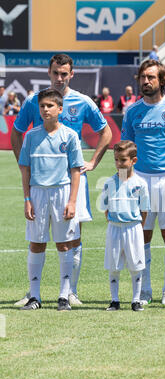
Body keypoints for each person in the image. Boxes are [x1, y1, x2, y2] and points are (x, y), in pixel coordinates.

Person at [11, 53, 112, 307]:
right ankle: (35, 292)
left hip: (71, 181)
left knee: (73, 236)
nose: (59, 78)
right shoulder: (35, 101)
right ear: (48, 72)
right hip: (40, 182)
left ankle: (70, 291)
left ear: (71, 74)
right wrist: (25, 164)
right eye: (55, 73)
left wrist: (92, 162)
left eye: (64, 73)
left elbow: (106, 132)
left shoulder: (83, 101)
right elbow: (16, 133)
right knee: (38, 238)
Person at [121, 59, 165, 306]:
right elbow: (125, 150)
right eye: (143, 77)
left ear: (162, 81)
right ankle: (145, 290)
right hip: (140, 180)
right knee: (141, 236)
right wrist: (124, 184)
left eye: (151, 77)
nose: (146, 81)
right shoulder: (132, 111)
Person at [18, 89, 84, 311]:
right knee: (37, 243)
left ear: (60, 109)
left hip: (62, 193)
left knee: (64, 244)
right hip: (37, 193)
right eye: (42, 106)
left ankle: (64, 296)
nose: (45, 109)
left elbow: (76, 171)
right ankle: (34, 297)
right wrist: (27, 198)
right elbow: (25, 169)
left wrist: (73, 201)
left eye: (50, 106)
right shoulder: (31, 136)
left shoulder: (70, 136)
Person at [100, 140, 150, 312]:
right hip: (114, 227)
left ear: (133, 160)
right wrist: (114, 220)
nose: (119, 164)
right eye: (116, 160)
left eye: (123, 160)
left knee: (136, 265)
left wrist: (137, 225)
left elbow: (144, 210)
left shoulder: (140, 184)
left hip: (133, 227)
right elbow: (105, 208)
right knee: (113, 265)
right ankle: (114, 300)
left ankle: (136, 300)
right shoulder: (109, 183)